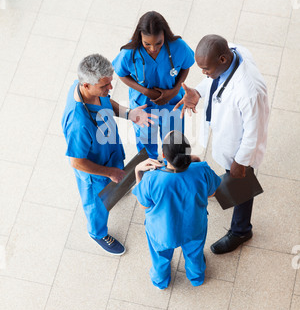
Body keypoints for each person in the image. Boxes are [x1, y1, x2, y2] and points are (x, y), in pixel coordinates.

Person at [174, 34, 269, 254]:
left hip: (241, 146)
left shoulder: (249, 90)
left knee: (242, 182)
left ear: (223, 60)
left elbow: (254, 132)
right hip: (227, 132)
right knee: (232, 176)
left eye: (206, 68)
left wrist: (240, 161)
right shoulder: (231, 52)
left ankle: (241, 230)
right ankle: (227, 187)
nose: (203, 73)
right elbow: (214, 81)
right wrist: (198, 92)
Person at [62, 54, 156, 255]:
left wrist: (129, 113)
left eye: (109, 83)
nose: (110, 88)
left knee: (115, 180)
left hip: (109, 151)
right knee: (97, 205)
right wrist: (108, 173)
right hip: (95, 171)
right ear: (86, 85)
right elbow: (77, 162)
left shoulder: (91, 90)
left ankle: (114, 187)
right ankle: (97, 232)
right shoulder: (78, 123)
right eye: (104, 86)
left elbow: (106, 101)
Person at [132, 130, 221, 289]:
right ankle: (196, 278)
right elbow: (212, 192)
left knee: (160, 258)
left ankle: (160, 281)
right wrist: (197, 162)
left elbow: (143, 204)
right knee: (195, 255)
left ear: (164, 156)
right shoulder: (202, 169)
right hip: (194, 227)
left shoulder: (152, 179)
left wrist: (137, 171)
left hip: (162, 232)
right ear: (188, 152)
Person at [112, 11, 195, 159]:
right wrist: (145, 91)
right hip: (143, 105)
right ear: (140, 37)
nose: (153, 48)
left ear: (165, 35)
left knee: (174, 143)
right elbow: (121, 73)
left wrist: (174, 90)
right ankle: (149, 168)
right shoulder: (129, 53)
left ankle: (171, 168)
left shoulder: (178, 46)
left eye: (158, 43)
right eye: (147, 44)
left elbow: (185, 66)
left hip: (172, 103)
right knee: (145, 143)